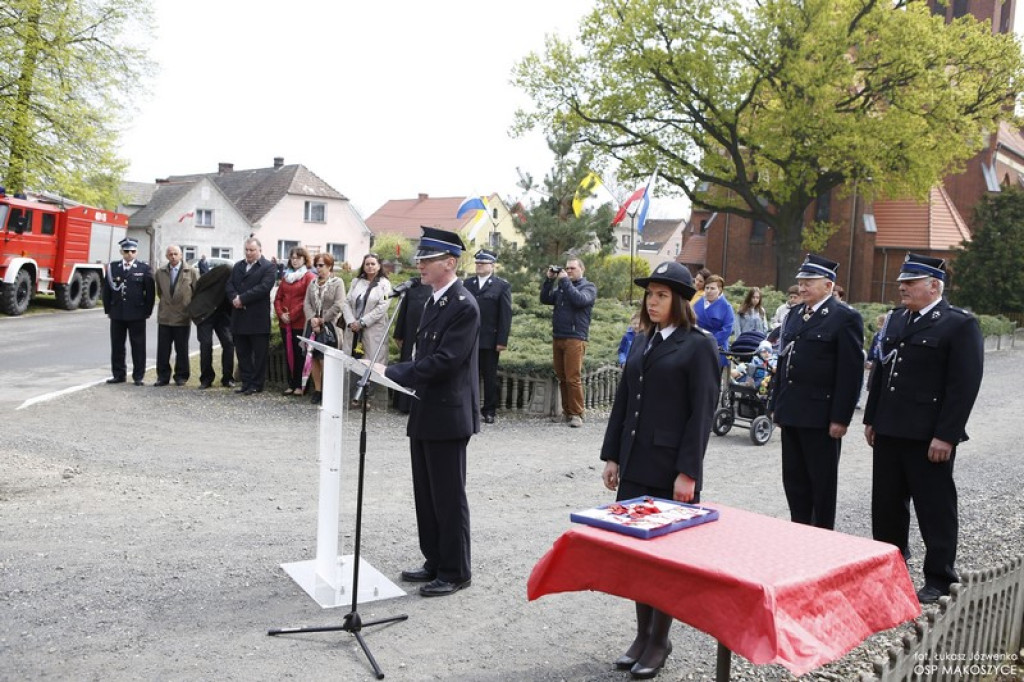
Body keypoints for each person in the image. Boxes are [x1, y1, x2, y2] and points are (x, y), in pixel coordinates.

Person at [600, 261, 720, 680]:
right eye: (649, 294)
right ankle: (642, 633)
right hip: (635, 464)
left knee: (665, 561)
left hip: (671, 470)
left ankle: (660, 639)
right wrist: (613, 455)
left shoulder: (699, 346)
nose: (652, 302)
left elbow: (702, 414)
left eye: (662, 295)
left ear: (681, 300)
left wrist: (688, 472)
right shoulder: (641, 339)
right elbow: (623, 401)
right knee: (637, 557)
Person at [863, 254, 983, 604]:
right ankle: (890, 567)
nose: (902, 287)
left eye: (910, 282)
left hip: (928, 435)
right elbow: (881, 371)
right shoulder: (897, 319)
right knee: (885, 505)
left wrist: (947, 434)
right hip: (890, 429)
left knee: (934, 506)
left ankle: (940, 576)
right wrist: (872, 418)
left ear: (934, 285)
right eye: (902, 281)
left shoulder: (958, 325)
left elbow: (963, 386)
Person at [381, 227, 480, 598]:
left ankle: (456, 571)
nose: (419, 265)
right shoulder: (431, 299)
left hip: (449, 414)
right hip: (425, 410)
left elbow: (445, 361)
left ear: (449, 263)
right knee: (426, 493)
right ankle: (435, 559)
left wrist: (392, 373)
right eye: (420, 259)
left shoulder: (464, 305)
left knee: (448, 496)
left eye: (427, 260)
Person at [770, 254, 864, 531]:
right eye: (800, 282)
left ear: (828, 284)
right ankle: (799, 530)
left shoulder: (844, 317)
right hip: (793, 410)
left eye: (809, 281)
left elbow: (850, 372)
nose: (802, 287)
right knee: (795, 480)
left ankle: (821, 535)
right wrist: (777, 402)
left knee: (820, 483)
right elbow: (784, 360)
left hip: (821, 415)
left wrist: (841, 418)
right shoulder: (795, 314)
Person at [540, 257, 597, 428]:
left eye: (572, 268)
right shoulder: (563, 288)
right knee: (562, 377)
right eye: (567, 268)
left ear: (582, 269)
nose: (569, 271)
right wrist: (549, 280)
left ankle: (577, 413)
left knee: (573, 377)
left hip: (575, 337)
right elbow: (545, 299)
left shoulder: (589, 287)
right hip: (558, 336)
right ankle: (567, 412)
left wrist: (564, 281)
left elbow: (579, 300)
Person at [464, 248, 512, 424]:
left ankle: (489, 410)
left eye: (482, 263)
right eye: (477, 263)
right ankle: (470, 408)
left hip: (490, 340)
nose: (479, 266)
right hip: (469, 338)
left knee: (489, 377)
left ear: (492, 266)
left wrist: (502, 340)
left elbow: (505, 315)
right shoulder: (467, 284)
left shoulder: (501, 286)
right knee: (469, 376)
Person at [225, 238, 276, 395]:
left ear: (259, 250)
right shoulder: (239, 266)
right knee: (242, 353)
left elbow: (263, 288)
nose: (248, 253)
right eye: (246, 250)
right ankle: (246, 382)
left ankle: (256, 384)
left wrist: (243, 298)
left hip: (257, 319)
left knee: (259, 354)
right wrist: (234, 298)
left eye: (252, 250)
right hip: (239, 317)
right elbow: (229, 285)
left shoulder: (268, 267)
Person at [102, 237, 155, 385]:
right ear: (121, 252)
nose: (129, 254)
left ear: (136, 252)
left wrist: (147, 311)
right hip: (117, 313)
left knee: (138, 346)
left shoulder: (144, 269)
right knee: (117, 346)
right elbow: (107, 290)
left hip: (137, 314)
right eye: (126, 251)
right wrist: (108, 309)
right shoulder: (113, 267)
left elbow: (150, 293)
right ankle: (119, 374)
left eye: (132, 251)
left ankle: (138, 376)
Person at [343, 253, 392, 404]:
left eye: (373, 264)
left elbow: (382, 307)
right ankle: (352, 396)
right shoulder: (356, 282)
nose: (370, 266)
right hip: (354, 330)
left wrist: (363, 322)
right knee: (353, 360)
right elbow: (346, 302)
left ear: (379, 266)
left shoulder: (384, 284)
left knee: (371, 362)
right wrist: (351, 321)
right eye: (367, 264)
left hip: (372, 329)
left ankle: (367, 397)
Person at [303, 253, 346, 406]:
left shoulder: (337, 282)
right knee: (313, 357)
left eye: (321, 265)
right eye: (317, 265)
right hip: (312, 325)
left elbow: (339, 304)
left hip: (329, 326)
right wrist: (312, 319)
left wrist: (323, 319)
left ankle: (328, 390)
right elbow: (307, 303)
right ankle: (317, 390)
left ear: (329, 266)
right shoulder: (313, 283)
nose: (318, 268)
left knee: (324, 359)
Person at [153, 244, 198, 386]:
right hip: (165, 316)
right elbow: (159, 292)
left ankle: (181, 376)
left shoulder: (191, 271)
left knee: (182, 348)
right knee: (163, 349)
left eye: (175, 254)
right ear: (167, 256)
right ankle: (163, 376)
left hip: (182, 316)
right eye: (170, 254)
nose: (173, 257)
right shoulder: (160, 272)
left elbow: (196, 291)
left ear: (181, 255)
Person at [274, 247, 316, 396]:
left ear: (305, 259)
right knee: (288, 353)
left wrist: (291, 314)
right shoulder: (286, 277)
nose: (295, 260)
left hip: (300, 323)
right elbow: (278, 298)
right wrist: (281, 314)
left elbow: (307, 299)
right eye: (292, 257)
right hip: (285, 323)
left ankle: (300, 385)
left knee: (300, 354)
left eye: (298, 257)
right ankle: (291, 384)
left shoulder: (309, 277)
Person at [188, 263, 235, 389]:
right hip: (205, 314)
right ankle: (206, 378)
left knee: (229, 343)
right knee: (206, 344)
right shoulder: (209, 281)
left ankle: (227, 377)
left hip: (221, 314)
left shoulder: (226, 278)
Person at [391, 276, 431, 414]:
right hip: (410, 331)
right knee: (407, 362)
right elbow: (403, 310)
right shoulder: (412, 285)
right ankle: (404, 404)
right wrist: (399, 334)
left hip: (429, 334)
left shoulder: (437, 285)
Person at [692, 274, 734, 368]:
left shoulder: (726, 307)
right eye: (707, 288)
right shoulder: (699, 302)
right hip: (697, 345)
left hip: (716, 348)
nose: (709, 291)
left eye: (712, 288)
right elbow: (690, 321)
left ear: (720, 290)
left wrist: (710, 342)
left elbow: (727, 330)